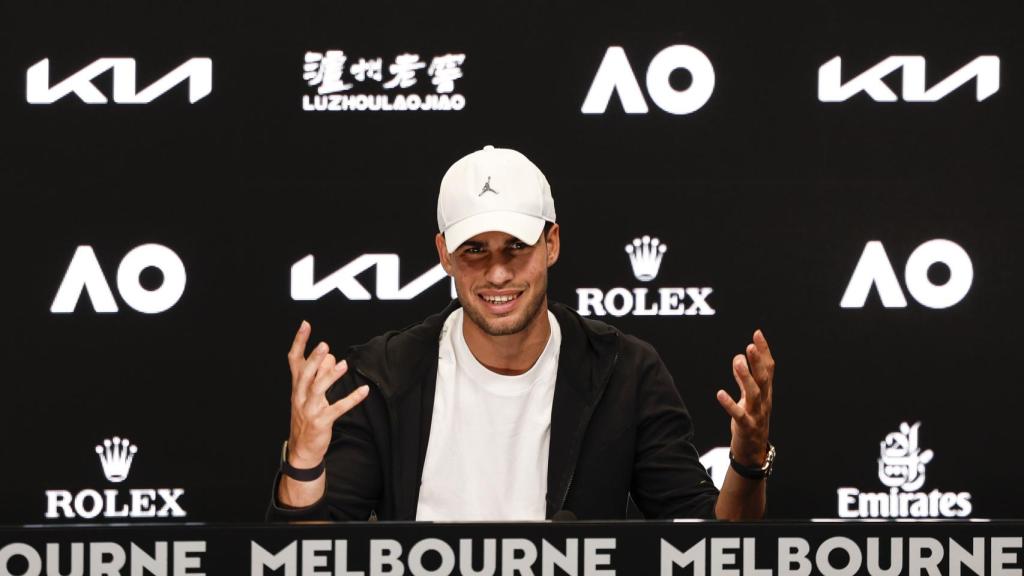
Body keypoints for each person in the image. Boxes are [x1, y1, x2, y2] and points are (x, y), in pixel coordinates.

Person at [267, 146, 775, 521]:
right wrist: (305, 461)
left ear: (551, 243)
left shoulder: (626, 371)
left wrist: (748, 462)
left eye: (516, 246)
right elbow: (312, 560)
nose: (498, 272)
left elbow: (712, 553)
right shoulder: (383, 375)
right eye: (475, 250)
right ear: (444, 254)